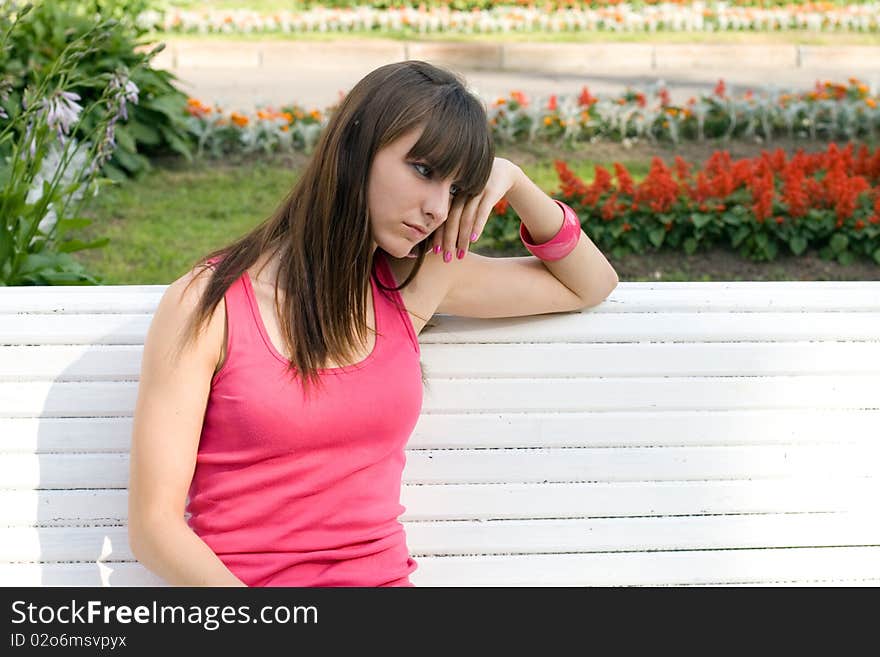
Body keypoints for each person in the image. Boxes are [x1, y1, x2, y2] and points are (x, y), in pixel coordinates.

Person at [127, 60, 619, 587]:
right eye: (425, 170)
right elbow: (154, 527)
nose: (436, 208)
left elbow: (589, 283)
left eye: (455, 191)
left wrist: (515, 181)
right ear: (355, 148)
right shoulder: (210, 303)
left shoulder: (415, 283)